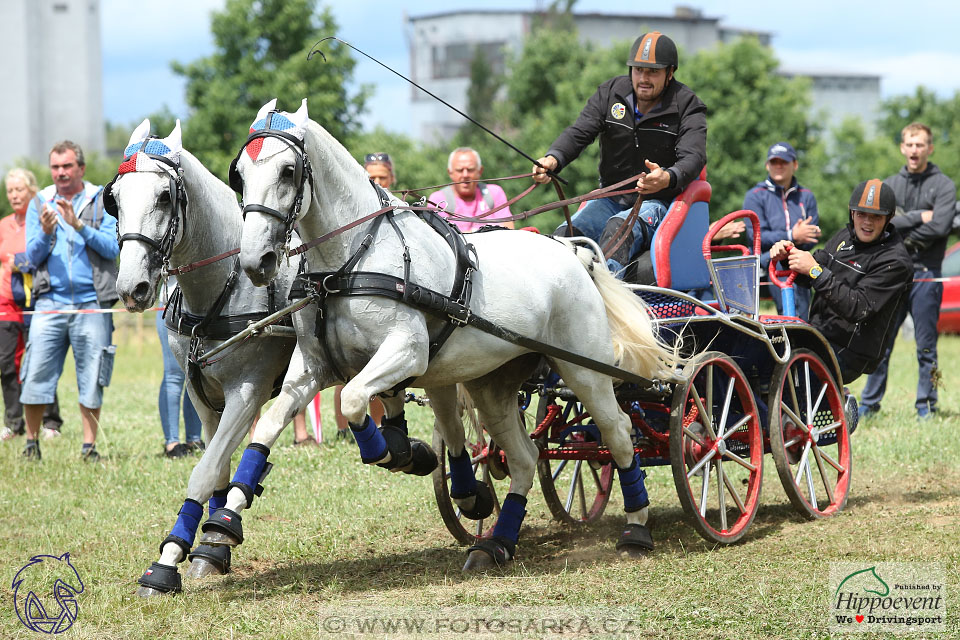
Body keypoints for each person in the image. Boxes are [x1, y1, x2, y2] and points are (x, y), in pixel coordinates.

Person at [532, 31, 707, 278]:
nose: (643, 78)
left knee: (618, 229)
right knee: (564, 237)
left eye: (653, 72)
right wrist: (553, 158)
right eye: (638, 70)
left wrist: (667, 177)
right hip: (610, 198)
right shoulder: (610, 93)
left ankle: (607, 294)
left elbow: (694, 157)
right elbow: (580, 132)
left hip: (658, 203)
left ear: (670, 73)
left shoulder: (687, 104)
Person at [19, 141, 119, 462]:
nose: (60, 172)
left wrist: (78, 225)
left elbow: (113, 247)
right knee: (35, 372)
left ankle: (89, 448)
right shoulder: (40, 202)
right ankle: (31, 444)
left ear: (81, 168)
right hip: (49, 303)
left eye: (67, 166)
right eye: (55, 167)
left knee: (92, 375)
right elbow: (31, 258)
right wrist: (46, 233)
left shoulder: (101, 199)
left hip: (92, 303)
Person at [768, 180, 912, 384]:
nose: (867, 222)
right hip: (818, 334)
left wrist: (815, 271)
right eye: (861, 214)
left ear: (889, 218)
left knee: (789, 377)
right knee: (763, 357)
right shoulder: (845, 236)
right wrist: (787, 257)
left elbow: (858, 308)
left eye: (876, 217)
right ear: (852, 213)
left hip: (850, 352)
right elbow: (810, 274)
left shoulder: (895, 261)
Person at [860, 123, 956, 421]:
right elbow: (883, 224)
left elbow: (941, 226)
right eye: (910, 144)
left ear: (930, 148)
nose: (915, 150)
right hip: (893, 275)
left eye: (920, 145)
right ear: (903, 148)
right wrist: (918, 217)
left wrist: (904, 233)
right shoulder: (889, 185)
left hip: (927, 275)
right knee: (881, 344)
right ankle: (869, 405)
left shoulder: (944, 186)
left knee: (927, 348)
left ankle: (928, 405)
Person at [0, 169, 64, 442]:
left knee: (40, 360)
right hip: (6, 303)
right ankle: (13, 422)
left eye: (19, 190)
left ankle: (51, 422)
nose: (14, 195)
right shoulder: (3, 225)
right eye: (10, 191)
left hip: (36, 301)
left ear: (32, 191)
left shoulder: (41, 221)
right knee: (6, 363)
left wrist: (21, 262)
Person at [744, 142, 821, 319]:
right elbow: (756, 237)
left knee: (812, 261)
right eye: (774, 162)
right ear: (767, 165)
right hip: (764, 260)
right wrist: (793, 236)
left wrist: (802, 238)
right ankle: (789, 321)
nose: (778, 166)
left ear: (795, 165)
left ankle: (802, 323)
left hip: (797, 258)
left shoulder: (806, 196)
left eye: (784, 162)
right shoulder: (755, 195)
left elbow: (811, 238)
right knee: (782, 261)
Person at [156, 283, 203, 458]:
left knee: (195, 375)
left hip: (200, 307)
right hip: (172, 305)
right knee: (174, 375)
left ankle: (194, 439)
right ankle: (172, 443)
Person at [429, 147, 515, 232]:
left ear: (480, 171)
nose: (465, 175)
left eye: (470, 170)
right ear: (450, 173)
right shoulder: (438, 200)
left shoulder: (494, 193)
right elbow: (439, 236)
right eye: (459, 170)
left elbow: (509, 228)